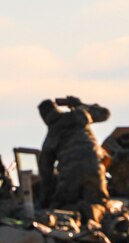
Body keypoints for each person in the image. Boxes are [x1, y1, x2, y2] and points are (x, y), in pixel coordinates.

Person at [38, 96, 111, 228]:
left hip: (69, 175)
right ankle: (94, 220)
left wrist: (43, 201)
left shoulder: (51, 137)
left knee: (64, 206)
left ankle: (77, 224)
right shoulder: (80, 115)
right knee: (98, 201)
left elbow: (46, 173)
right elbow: (105, 113)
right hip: (94, 168)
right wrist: (78, 104)